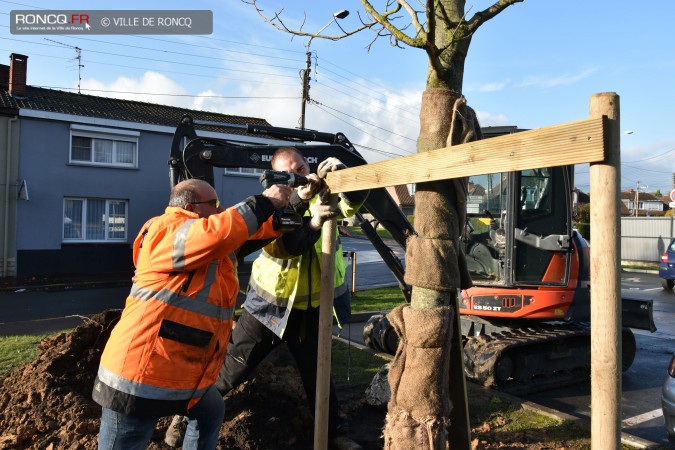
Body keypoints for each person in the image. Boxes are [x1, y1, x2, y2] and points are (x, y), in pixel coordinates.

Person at [165, 149, 367, 450]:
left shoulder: (324, 196)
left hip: (312, 309)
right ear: (279, 179)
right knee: (233, 368)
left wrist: (347, 177)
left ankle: (333, 433)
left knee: (319, 375)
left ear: (308, 166)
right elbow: (287, 246)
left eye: (301, 167)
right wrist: (312, 223)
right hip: (270, 307)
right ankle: (183, 417)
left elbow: (354, 204)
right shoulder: (270, 209)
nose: (299, 176)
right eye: (290, 172)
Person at [92, 178, 293, 450]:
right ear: (190, 206)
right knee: (128, 440)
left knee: (210, 411)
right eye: (215, 204)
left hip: (181, 368)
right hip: (139, 375)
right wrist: (265, 201)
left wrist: (297, 203)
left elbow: (251, 230)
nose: (221, 210)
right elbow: (219, 231)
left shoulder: (207, 240)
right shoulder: (166, 230)